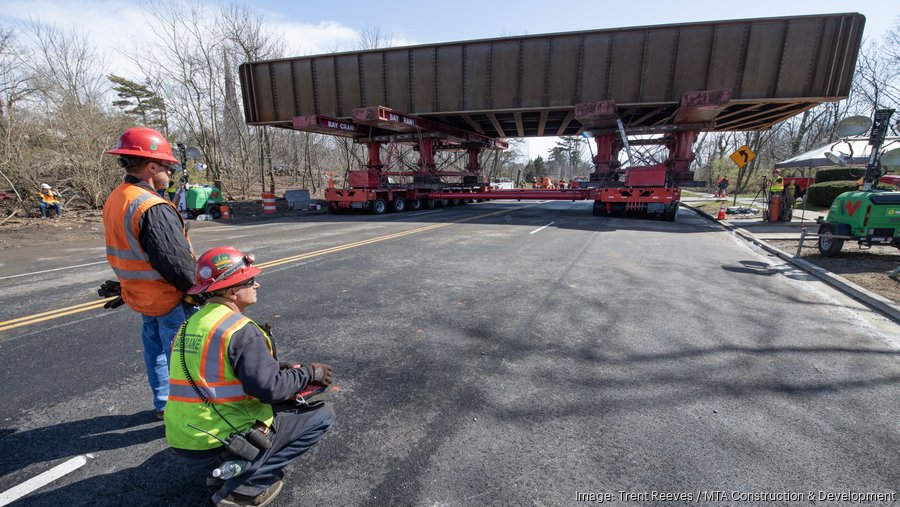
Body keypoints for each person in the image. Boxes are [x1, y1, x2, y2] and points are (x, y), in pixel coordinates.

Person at [166, 246, 335, 507]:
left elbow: (213, 371)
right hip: (220, 438)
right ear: (231, 291)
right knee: (322, 415)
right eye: (249, 280)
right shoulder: (240, 330)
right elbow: (270, 390)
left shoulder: (190, 324)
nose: (256, 284)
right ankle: (246, 487)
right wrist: (309, 373)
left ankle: (223, 470)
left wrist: (276, 367)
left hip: (184, 438)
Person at [103, 127, 197, 420]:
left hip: (140, 295)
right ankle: (187, 411)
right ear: (152, 167)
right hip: (168, 296)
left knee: (155, 352)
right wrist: (200, 291)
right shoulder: (151, 205)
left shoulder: (117, 198)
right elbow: (175, 263)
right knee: (182, 357)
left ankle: (164, 404)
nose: (169, 173)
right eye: (168, 167)